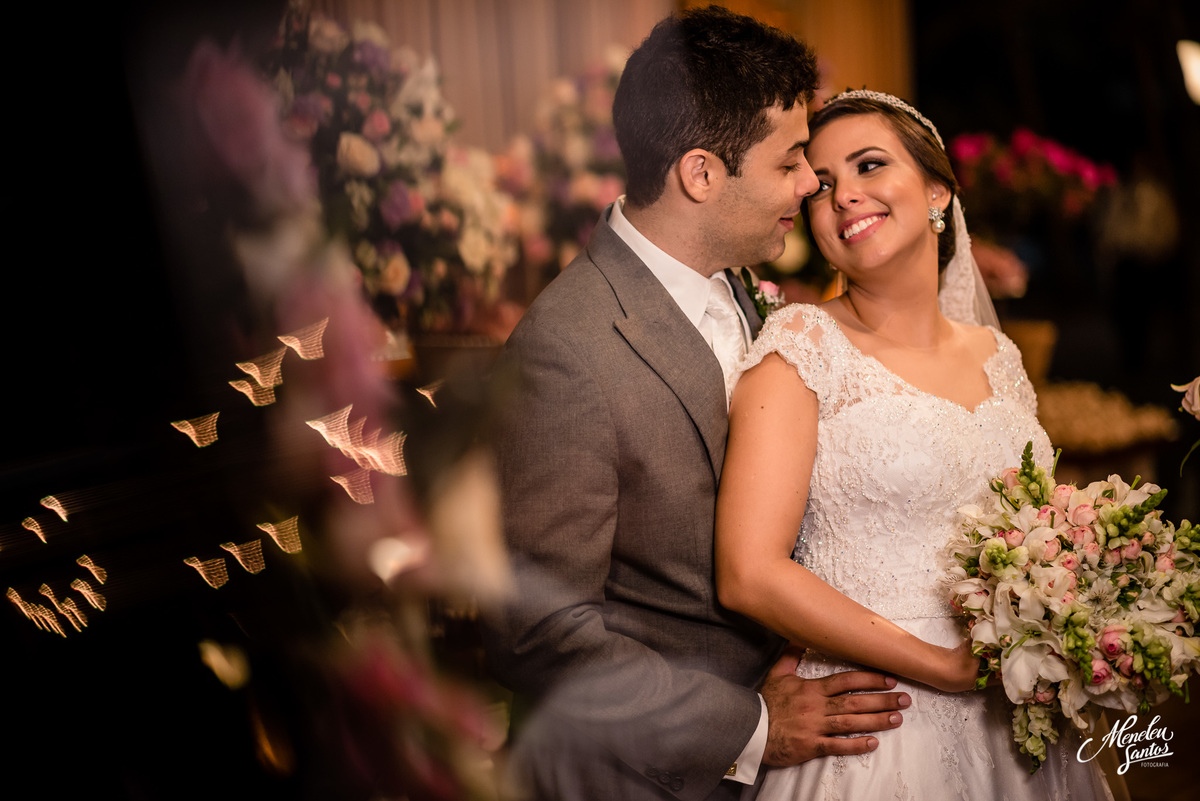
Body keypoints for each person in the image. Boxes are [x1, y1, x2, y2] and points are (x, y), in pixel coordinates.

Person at [481, 9, 911, 801]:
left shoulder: (744, 290)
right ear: (702, 174)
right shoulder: (565, 349)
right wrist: (749, 725)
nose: (812, 184)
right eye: (790, 164)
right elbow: (537, 632)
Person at [715, 90, 1114, 799]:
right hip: (879, 730)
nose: (845, 197)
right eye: (823, 185)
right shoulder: (800, 348)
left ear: (937, 190)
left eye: (870, 165)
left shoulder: (999, 355)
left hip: (1021, 719)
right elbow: (749, 571)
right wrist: (938, 664)